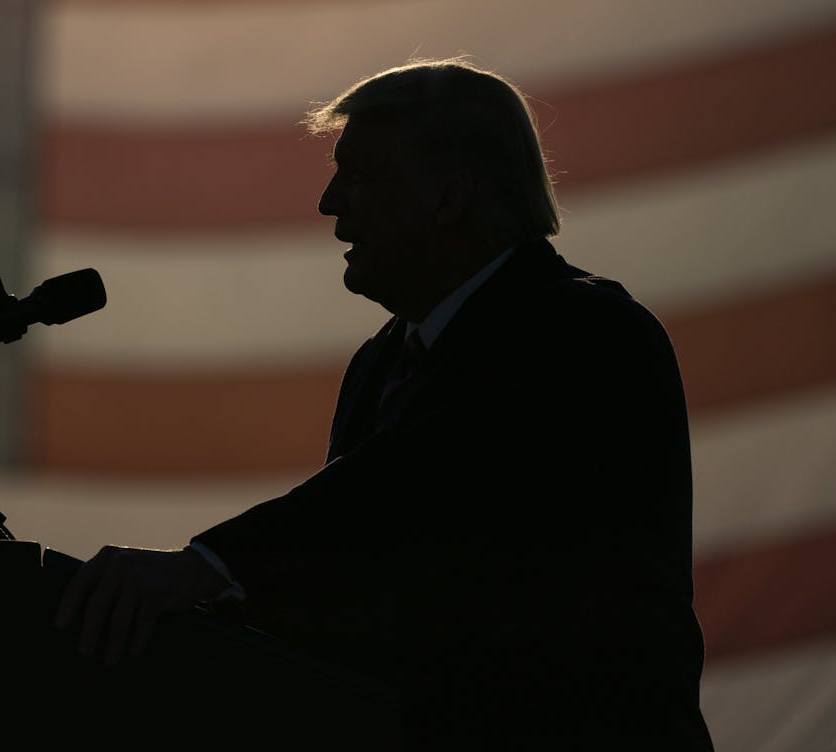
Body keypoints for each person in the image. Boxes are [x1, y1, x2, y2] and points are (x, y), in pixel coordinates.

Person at [57, 58, 715, 749]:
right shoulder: (381, 362)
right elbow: (361, 589)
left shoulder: (584, 333)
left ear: (450, 195)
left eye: (362, 173)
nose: (330, 202)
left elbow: (412, 487)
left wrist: (206, 567)